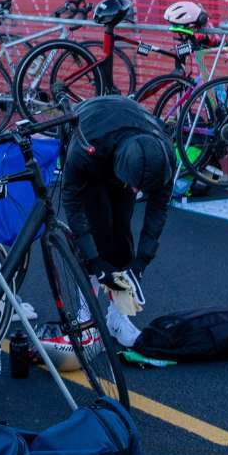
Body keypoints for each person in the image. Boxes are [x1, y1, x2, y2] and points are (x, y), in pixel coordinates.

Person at [57, 92, 173, 349]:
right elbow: (72, 203)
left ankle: (117, 318)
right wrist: (96, 262)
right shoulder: (85, 147)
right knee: (97, 228)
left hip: (128, 140)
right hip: (92, 136)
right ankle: (85, 316)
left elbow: (158, 211)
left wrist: (141, 261)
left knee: (121, 233)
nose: (136, 193)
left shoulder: (164, 154)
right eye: (134, 186)